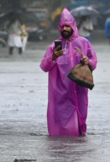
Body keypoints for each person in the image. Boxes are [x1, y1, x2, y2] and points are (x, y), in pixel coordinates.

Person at [40, 8, 98, 137]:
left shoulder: (84, 43)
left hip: (79, 89)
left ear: (73, 26)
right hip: (60, 93)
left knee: (79, 123)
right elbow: (44, 66)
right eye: (63, 26)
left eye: (67, 26)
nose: (65, 29)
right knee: (60, 125)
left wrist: (87, 61)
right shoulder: (54, 46)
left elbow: (94, 61)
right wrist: (53, 57)